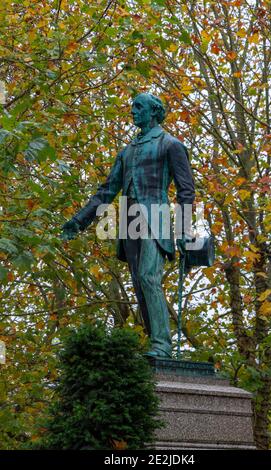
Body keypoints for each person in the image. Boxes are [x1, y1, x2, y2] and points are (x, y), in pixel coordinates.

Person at [61, 93, 195, 358]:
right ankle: (154, 344)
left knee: (148, 276)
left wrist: (183, 231)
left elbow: (186, 191)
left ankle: (162, 345)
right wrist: (78, 221)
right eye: (132, 107)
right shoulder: (128, 151)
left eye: (138, 107)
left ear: (154, 112)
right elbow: (106, 191)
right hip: (130, 220)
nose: (132, 111)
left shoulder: (170, 144)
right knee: (139, 285)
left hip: (155, 217)